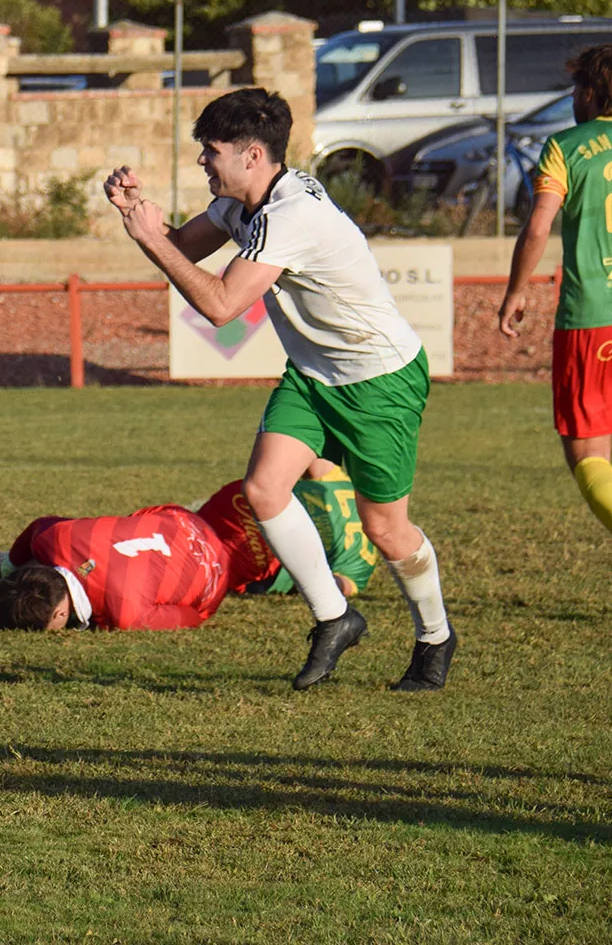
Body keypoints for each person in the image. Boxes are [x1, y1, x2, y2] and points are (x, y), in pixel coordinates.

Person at [103, 87, 456, 691]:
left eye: (210, 152)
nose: (201, 162)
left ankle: (435, 638)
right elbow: (182, 248)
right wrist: (141, 215)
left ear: (252, 155)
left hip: (379, 380)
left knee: (386, 531)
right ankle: (335, 617)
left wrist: (150, 240)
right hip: (314, 375)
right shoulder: (243, 204)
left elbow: (219, 306)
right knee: (264, 489)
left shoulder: (290, 216)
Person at [0, 463, 377, 631]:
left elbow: (339, 583)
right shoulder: (358, 532)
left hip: (219, 527)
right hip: (224, 525)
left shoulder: (335, 497)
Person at [498, 45, 612, 536]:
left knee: (589, 454)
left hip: (591, 317)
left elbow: (539, 227)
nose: (572, 98)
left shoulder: (566, 147)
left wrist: (516, 291)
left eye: (575, 88)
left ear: (590, 92)